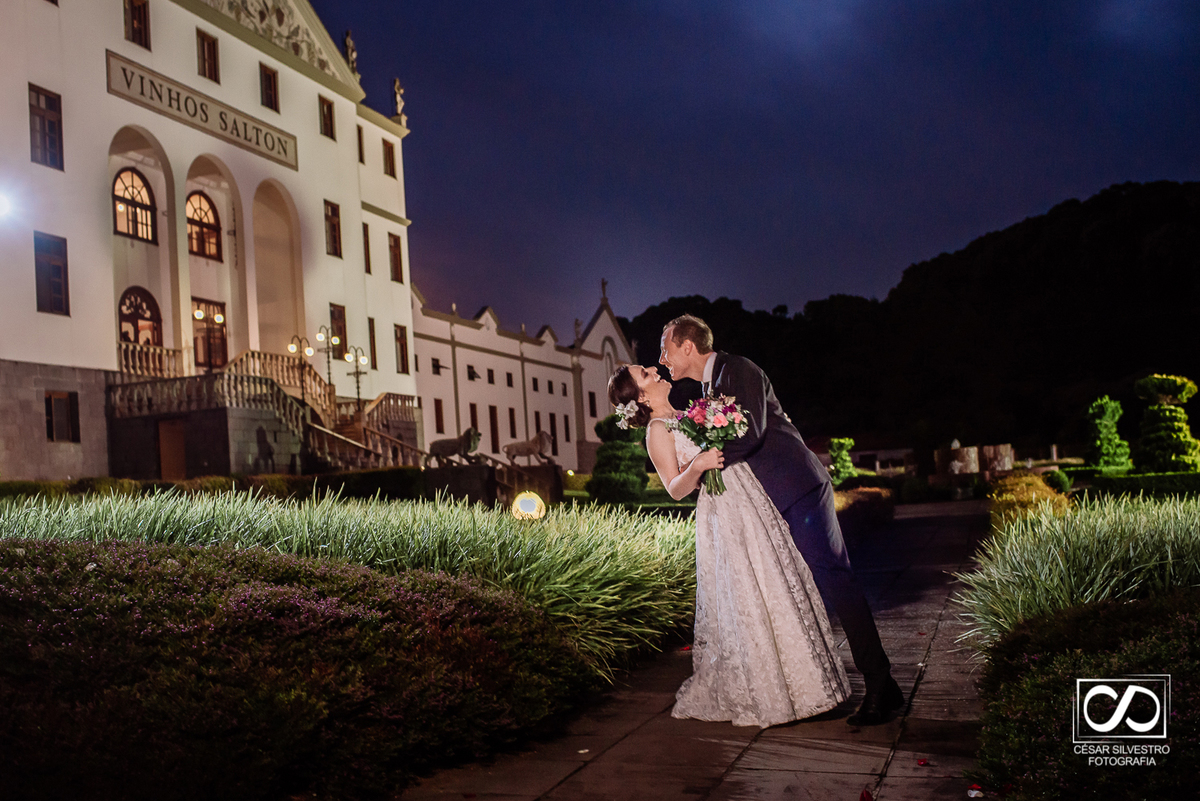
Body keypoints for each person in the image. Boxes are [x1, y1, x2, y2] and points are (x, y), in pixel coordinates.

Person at [658, 314, 904, 726]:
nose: (662, 358)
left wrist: (706, 465)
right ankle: (872, 684)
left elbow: (750, 432)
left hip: (799, 489)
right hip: (770, 503)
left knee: (834, 579)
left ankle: (880, 685)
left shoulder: (739, 369)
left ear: (688, 346)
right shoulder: (709, 386)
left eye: (665, 348)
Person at [608, 364, 850, 728]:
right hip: (723, 512)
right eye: (644, 373)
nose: (654, 370)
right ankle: (771, 693)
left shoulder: (688, 413)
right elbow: (675, 488)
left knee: (777, 581)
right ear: (641, 396)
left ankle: (811, 684)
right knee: (748, 591)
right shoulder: (658, 430)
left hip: (748, 499)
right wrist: (699, 466)